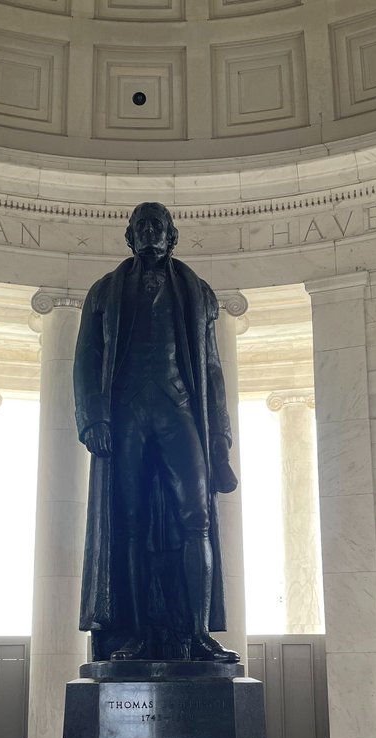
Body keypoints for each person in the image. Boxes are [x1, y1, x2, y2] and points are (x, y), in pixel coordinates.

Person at [73, 201, 240, 663]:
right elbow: (86, 358)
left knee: (196, 519)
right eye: (141, 226)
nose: (150, 232)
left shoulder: (197, 293)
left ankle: (197, 632)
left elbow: (212, 369)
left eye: (158, 225)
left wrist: (221, 444)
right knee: (128, 524)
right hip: (124, 415)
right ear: (129, 237)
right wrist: (93, 418)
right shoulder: (104, 292)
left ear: (172, 235)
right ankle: (138, 633)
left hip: (179, 409)